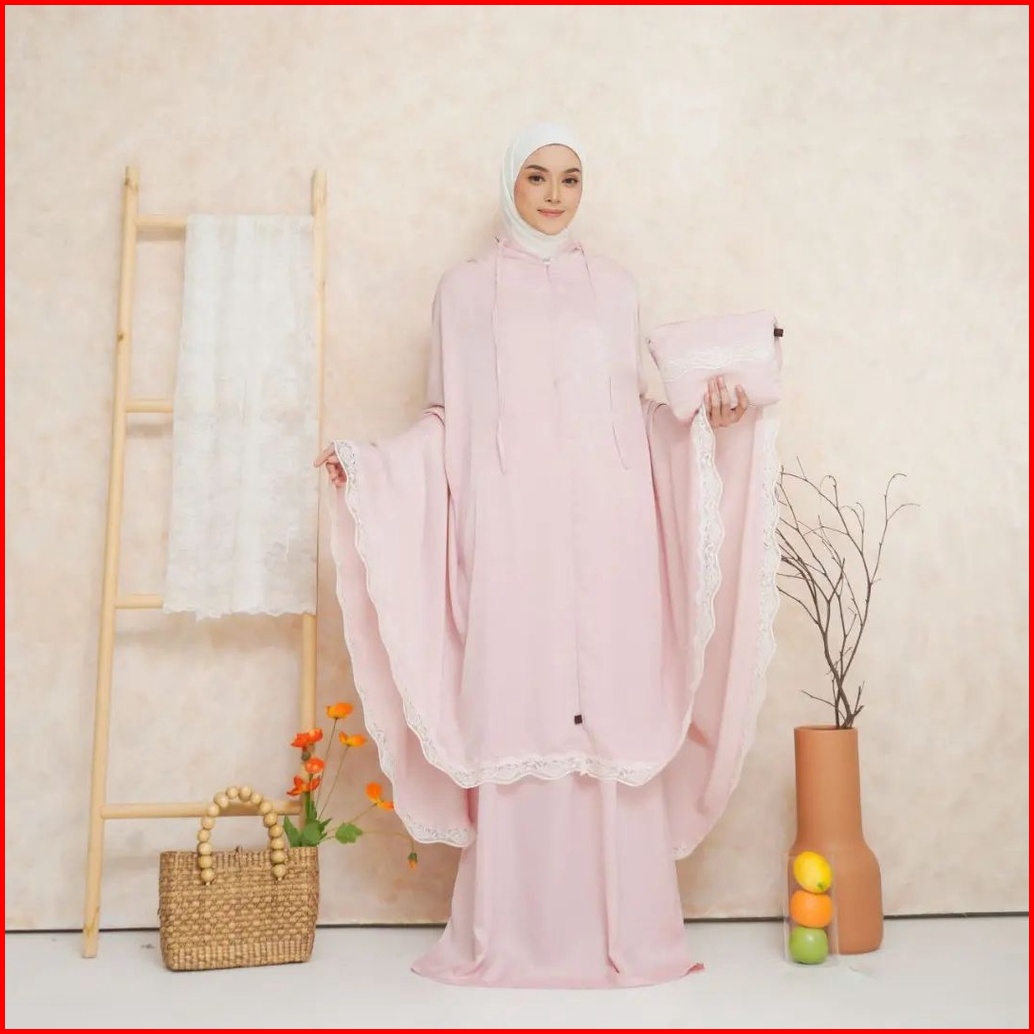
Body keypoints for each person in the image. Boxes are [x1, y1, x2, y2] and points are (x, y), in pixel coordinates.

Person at [314, 124, 781, 988]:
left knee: (612, 701)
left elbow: (635, 414)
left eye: (570, 178)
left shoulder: (616, 288)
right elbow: (447, 418)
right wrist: (372, 467)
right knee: (516, 698)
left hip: (612, 536)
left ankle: (627, 932)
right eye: (537, 177)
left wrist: (706, 417)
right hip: (510, 537)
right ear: (511, 184)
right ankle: (511, 935)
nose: (555, 194)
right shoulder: (462, 292)